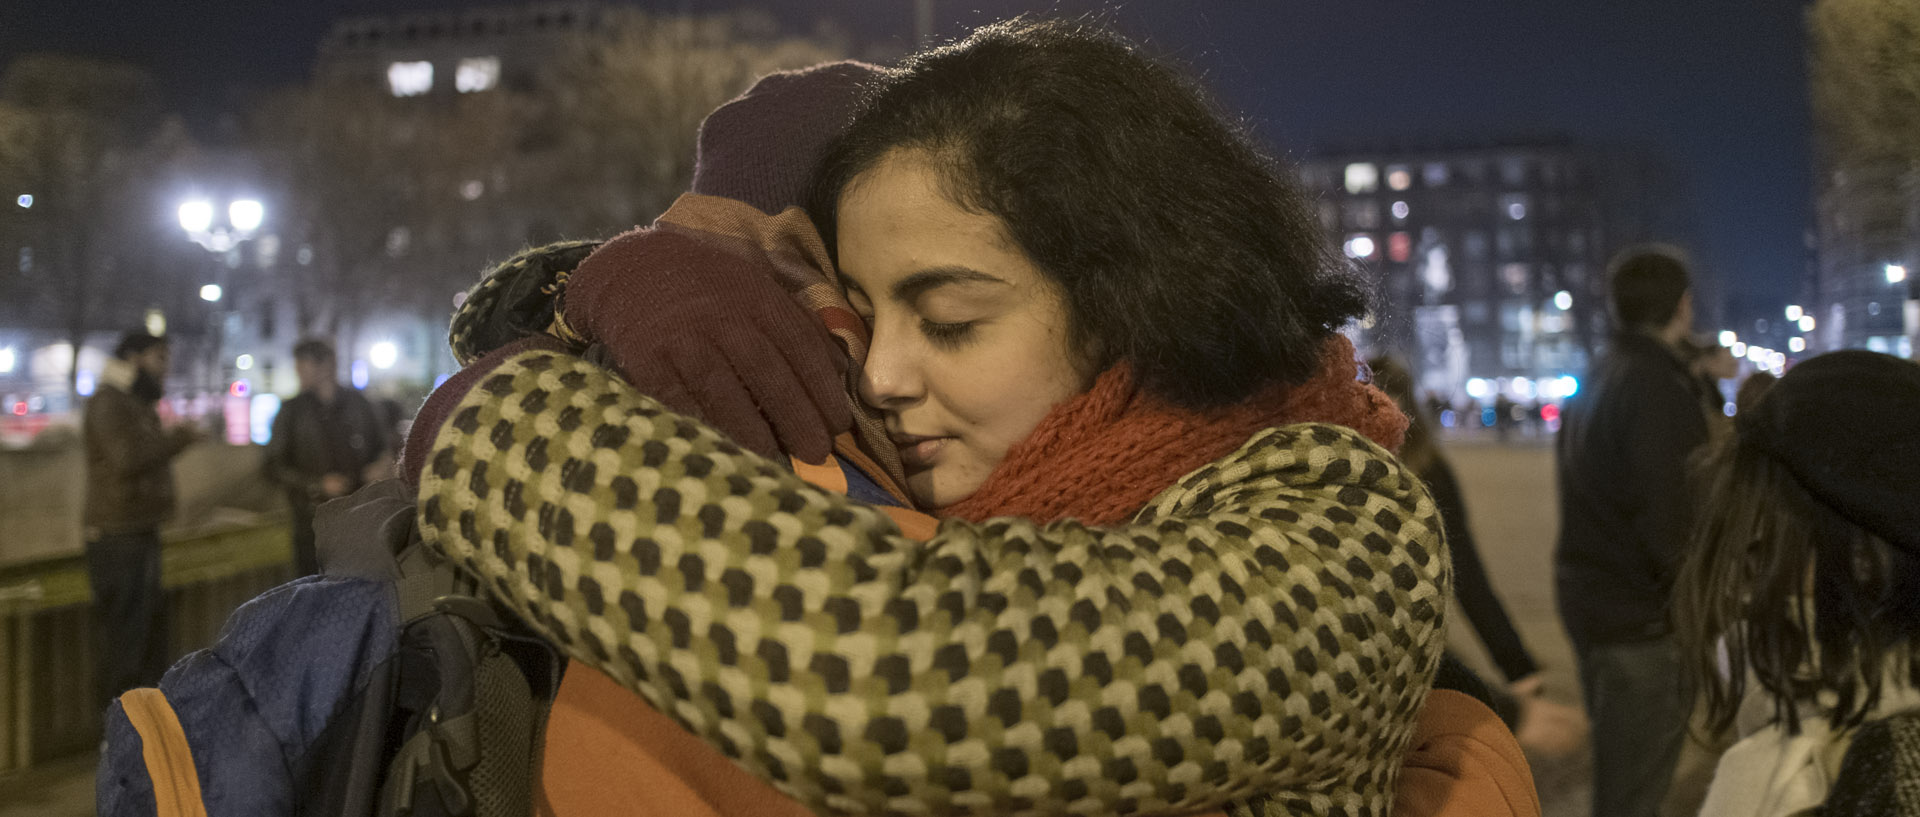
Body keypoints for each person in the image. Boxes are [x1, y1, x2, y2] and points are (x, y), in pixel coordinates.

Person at [405, 19, 1450, 816]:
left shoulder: (1337, 519)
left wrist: (499, 418)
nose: (888, 373)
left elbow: (894, 682)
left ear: (1143, 299)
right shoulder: (965, 493)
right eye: (865, 319)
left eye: (949, 320)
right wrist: (586, 292)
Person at [1676, 351, 1920, 817]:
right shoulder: (1831, 729)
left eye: (1763, 539)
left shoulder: (1879, 771)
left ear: (1866, 559)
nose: (1741, 575)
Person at [1554, 245, 1711, 817]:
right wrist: (1701, 605)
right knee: (1633, 792)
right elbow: (1667, 516)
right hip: (1640, 620)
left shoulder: (1603, 370)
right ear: (1682, 307)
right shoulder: (1655, 386)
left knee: (1622, 776)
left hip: (1595, 601)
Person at [1370, 356, 1588, 755]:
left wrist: (1515, 665)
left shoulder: (1422, 474)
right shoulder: (1394, 473)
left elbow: (1464, 575)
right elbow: (1466, 578)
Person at [83, 331, 202, 708]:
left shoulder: (132, 402)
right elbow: (127, 458)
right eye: (159, 358)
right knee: (125, 644)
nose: (165, 368)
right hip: (118, 536)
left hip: (137, 529)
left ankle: (140, 734)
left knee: (145, 639)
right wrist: (180, 438)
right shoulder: (109, 401)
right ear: (134, 358)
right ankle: (116, 736)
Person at [264, 339, 390, 576]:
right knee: (314, 587)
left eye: (304, 365)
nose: (298, 371)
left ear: (326, 365)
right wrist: (317, 484)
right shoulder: (291, 411)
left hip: (358, 515)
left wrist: (379, 466)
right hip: (312, 522)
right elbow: (273, 466)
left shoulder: (360, 404)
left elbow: (383, 447)